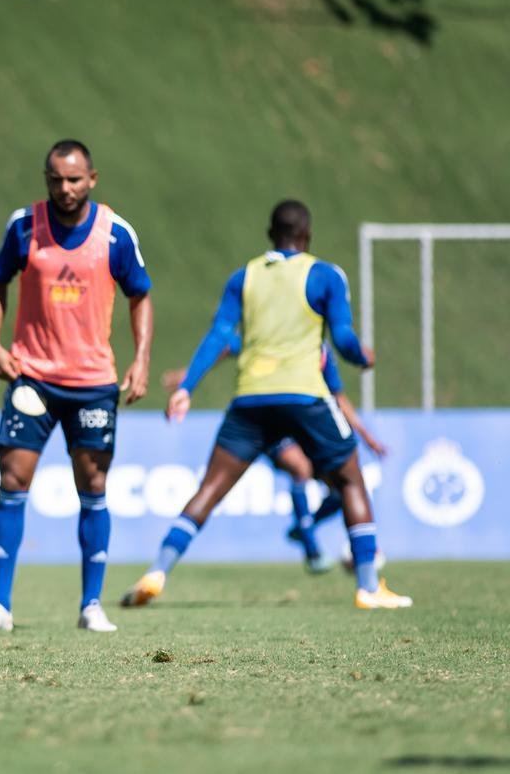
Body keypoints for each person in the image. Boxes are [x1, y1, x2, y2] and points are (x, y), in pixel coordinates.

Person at [121, 199, 411, 610]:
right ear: (307, 235)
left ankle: (157, 570)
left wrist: (187, 386)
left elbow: (220, 334)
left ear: (269, 235)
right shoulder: (325, 274)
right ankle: (368, 586)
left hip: (251, 397)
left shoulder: (245, 276)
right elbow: (343, 338)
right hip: (304, 393)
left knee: (210, 489)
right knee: (350, 480)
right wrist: (363, 356)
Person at [0, 139, 154, 634]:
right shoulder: (24, 225)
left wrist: (142, 361)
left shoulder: (116, 234)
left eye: (74, 179)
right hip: (33, 377)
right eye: (55, 179)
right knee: (12, 482)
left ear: (92, 178)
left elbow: (141, 295)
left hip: (93, 383)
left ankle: (92, 604)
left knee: (93, 486)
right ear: (46, 179)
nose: (65, 188)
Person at [160, 338, 388, 572]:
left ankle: (304, 528)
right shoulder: (269, 336)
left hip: (305, 424)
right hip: (266, 422)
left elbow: (338, 397)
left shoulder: (320, 352)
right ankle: (312, 548)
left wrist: (367, 437)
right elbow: (227, 345)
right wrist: (189, 377)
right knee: (300, 468)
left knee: (342, 488)